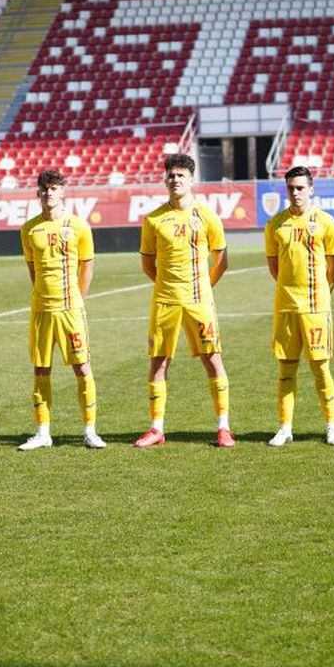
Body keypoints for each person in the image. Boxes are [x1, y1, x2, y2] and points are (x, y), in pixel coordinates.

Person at [134, 153, 234, 448]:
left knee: (212, 359)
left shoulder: (207, 215)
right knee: (159, 362)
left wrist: (203, 287)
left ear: (191, 180)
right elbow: (148, 264)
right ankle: (156, 429)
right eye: (171, 175)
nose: (175, 180)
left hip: (199, 300)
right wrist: (169, 286)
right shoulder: (153, 219)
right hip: (165, 301)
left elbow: (221, 260)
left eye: (180, 175)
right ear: (165, 179)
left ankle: (224, 427)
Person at [18, 169, 104, 450]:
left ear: (63, 192)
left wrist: (77, 299)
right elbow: (32, 271)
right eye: (44, 189)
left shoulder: (79, 226)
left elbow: (87, 266)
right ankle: (43, 433)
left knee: (82, 366)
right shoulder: (29, 229)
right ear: (38, 193)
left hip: (70, 310)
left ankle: (90, 430)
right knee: (41, 369)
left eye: (54, 188)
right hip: (42, 310)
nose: (49, 193)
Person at [264, 166, 334, 446]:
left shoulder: (326, 222)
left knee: (320, 368)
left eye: (300, 188)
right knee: (286, 369)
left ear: (311, 189)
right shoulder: (275, 224)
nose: (295, 193)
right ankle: (285, 427)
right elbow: (275, 267)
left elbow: (333, 267)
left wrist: (319, 292)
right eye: (291, 188)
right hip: (285, 306)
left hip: (316, 307)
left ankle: (332, 426)